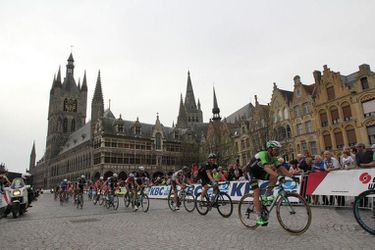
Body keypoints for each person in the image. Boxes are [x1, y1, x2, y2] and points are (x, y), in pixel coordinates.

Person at [245, 140, 298, 225]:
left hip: (259, 172)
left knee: (273, 176)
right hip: (250, 171)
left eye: (278, 149)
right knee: (257, 192)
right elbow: (266, 168)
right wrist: (278, 176)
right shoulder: (263, 154)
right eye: (276, 149)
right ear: (270, 149)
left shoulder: (273, 158)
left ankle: (266, 196)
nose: (278, 151)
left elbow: (281, 168)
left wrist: (293, 177)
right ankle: (259, 217)